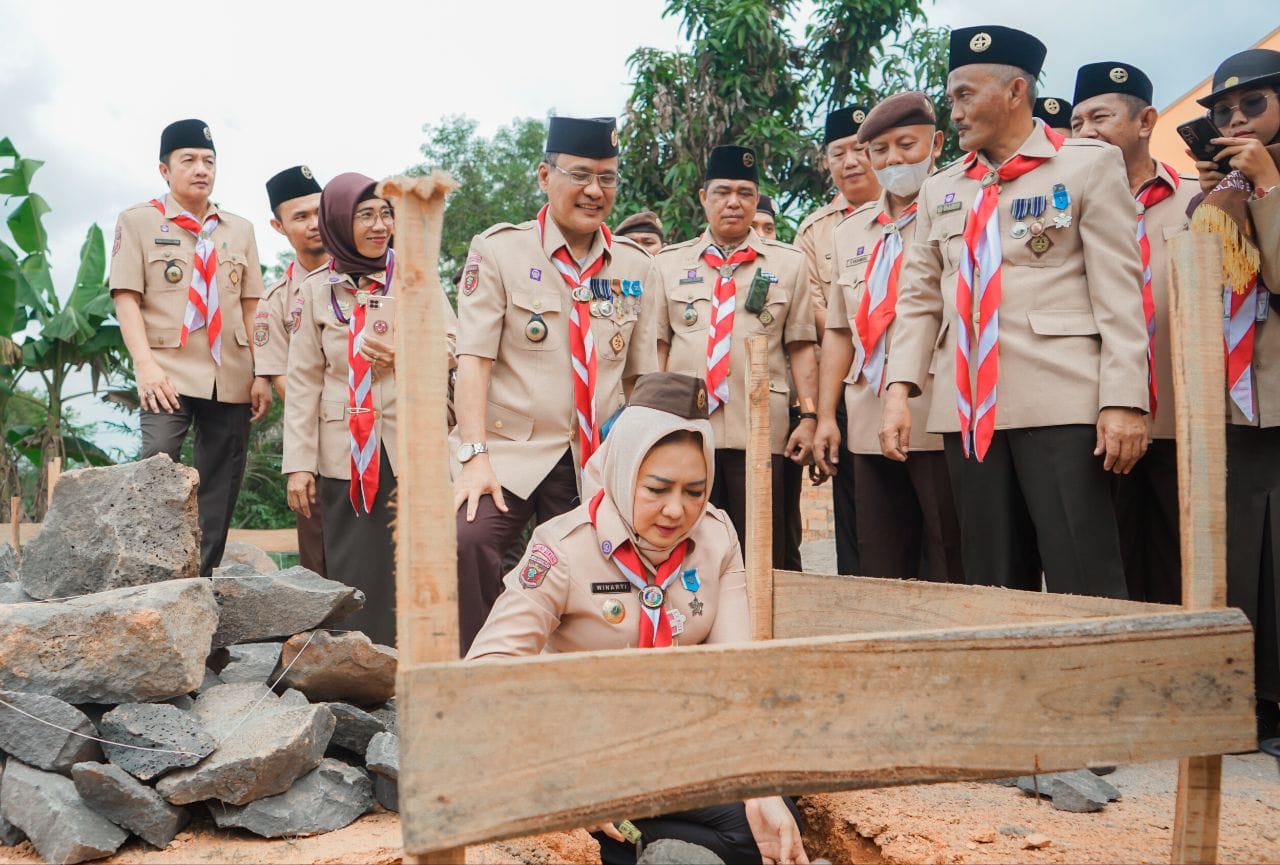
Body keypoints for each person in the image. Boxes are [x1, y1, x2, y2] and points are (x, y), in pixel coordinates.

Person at [468, 372, 809, 865]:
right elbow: (486, 672)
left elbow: (737, 672)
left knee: (769, 825)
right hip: (577, 751)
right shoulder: (561, 548)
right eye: (657, 488)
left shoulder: (716, 536)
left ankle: (644, 846)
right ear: (624, 472)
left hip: (674, 747)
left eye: (695, 490)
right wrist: (567, 779)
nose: (677, 510)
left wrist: (759, 787)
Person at [881, 26, 1150, 598]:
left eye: (964, 96)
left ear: (1015, 91)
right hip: (967, 411)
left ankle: (1099, 686)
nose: (953, 112)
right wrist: (899, 391)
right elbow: (919, 299)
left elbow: (1121, 294)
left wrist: (1124, 400)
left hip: (1062, 403)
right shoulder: (941, 189)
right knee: (991, 580)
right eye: (950, 98)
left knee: (1085, 572)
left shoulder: (1086, 166)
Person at [451, 116, 659, 653]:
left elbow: (642, 380)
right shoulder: (499, 251)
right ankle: (480, 671)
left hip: (596, 456)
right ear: (545, 175)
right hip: (510, 450)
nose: (595, 190)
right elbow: (472, 360)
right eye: (581, 175)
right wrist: (474, 455)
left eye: (608, 178)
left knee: (602, 569)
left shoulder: (637, 265)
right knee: (468, 541)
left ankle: (573, 679)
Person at [814, 92, 963, 583]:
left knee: (948, 552)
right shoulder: (851, 231)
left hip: (939, 411)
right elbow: (839, 330)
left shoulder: (957, 208)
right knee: (881, 559)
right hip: (866, 417)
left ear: (936, 143)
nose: (893, 160)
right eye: (881, 150)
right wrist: (824, 417)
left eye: (906, 145)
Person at [109, 119, 267, 577]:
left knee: (221, 482)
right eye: (189, 160)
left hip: (230, 372)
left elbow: (253, 309)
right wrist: (144, 366)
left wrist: (261, 372)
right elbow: (126, 298)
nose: (201, 169)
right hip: (167, 369)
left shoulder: (239, 229)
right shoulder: (138, 221)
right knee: (156, 462)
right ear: (164, 169)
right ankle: (149, 571)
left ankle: (201, 578)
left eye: (209, 161)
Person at [655, 145, 818, 568]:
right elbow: (657, 348)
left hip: (763, 434)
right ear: (703, 196)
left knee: (769, 551)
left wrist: (810, 417)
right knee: (690, 551)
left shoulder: (790, 264)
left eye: (746, 193)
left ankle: (771, 635)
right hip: (687, 434)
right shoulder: (667, 266)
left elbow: (801, 344)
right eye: (723, 192)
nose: (734, 202)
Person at [1071, 61, 1197, 605]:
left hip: (1183, 416)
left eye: (1100, 117)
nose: (1086, 133)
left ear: (1146, 121)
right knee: (1107, 568)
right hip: (1099, 418)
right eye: (1076, 124)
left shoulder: (1201, 200)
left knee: (1184, 563)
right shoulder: (1062, 208)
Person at [281, 173, 418, 645]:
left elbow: (453, 345)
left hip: (407, 444)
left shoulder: (416, 276)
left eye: (385, 213)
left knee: (409, 559)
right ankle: (358, 669)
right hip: (343, 449)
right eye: (365, 215)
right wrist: (298, 464)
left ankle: (412, 662)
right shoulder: (316, 291)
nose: (380, 225)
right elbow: (302, 382)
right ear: (339, 221)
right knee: (354, 563)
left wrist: (406, 353)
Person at [1188, 48, 1280, 746]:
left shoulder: (1265, 182)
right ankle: (1254, 699)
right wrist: (1213, 197)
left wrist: (1269, 189)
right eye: (1224, 113)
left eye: (1254, 105)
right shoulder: (1219, 195)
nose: (1237, 120)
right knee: (1245, 555)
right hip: (1236, 400)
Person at [795, 106, 881, 577]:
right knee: (856, 510)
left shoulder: (920, 205)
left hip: (919, 380)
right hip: (849, 381)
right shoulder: (814, 230)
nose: (850, 161)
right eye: (838, 152)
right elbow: (814, 309)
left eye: (861, 149)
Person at [252, 165, 329, 577]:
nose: (314, 224)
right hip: (318, 444)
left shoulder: (375, 274)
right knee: (319, 558)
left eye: (319, 211)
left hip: (389, 436)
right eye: (300, 217)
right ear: (278, 226)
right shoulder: (276, 302)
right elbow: (286, 383)